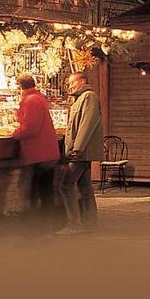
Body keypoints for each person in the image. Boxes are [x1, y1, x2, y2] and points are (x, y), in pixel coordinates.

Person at [12, 73, 61, 230]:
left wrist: (15, 134)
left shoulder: (31, 100)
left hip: (38, 155)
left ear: (20, 86)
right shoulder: (38, 98)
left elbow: (31, 128)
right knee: (45, 192)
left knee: (34, 193)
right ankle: (46, 227)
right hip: (46, 153)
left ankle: (35, 228)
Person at [57, 72, 103, 235]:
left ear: (82, 81)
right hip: (81, 151)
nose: (70, 86)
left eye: (72, 83)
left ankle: (75, 224)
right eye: (69, 84)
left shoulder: (88, 97)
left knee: (66, 185)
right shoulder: (78, 99)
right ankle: (89, 223)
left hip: (81, 152)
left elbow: (87, 124)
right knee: (85, 187)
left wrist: (77, 149)